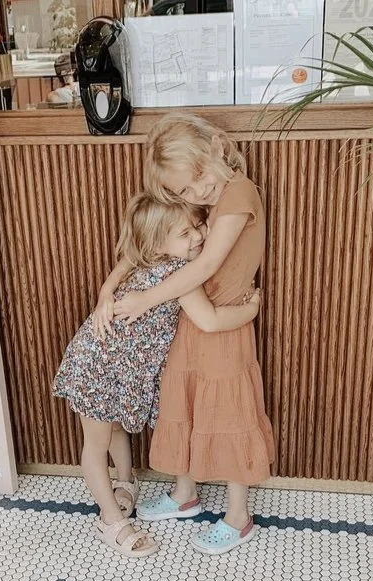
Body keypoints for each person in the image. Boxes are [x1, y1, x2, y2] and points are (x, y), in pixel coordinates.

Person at [54, 191, 261, 558]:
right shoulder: (178, 275)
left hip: (116, 367)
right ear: (157, 244)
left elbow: (127, 259)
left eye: (198, 225)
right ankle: (111, 520)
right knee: (96, 443)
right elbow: (210, 321)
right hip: (97, 368)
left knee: (115, 428)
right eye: (185, 234)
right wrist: (250, 311)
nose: (198, 236)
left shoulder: (147, 262)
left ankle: (124, 481)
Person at [107, 113, 275, 555]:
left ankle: (238, 516)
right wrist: (110, 285)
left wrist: (145, 299)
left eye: (197, 179)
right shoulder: (206, 199)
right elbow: (150, 237)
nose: (195, 193)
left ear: (218, 147)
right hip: (189, 314)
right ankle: (186, 494)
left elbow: (205, 266)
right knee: (182, 400)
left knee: (229, 411)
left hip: (221, 319)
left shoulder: (237, 193)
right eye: (183, 190)